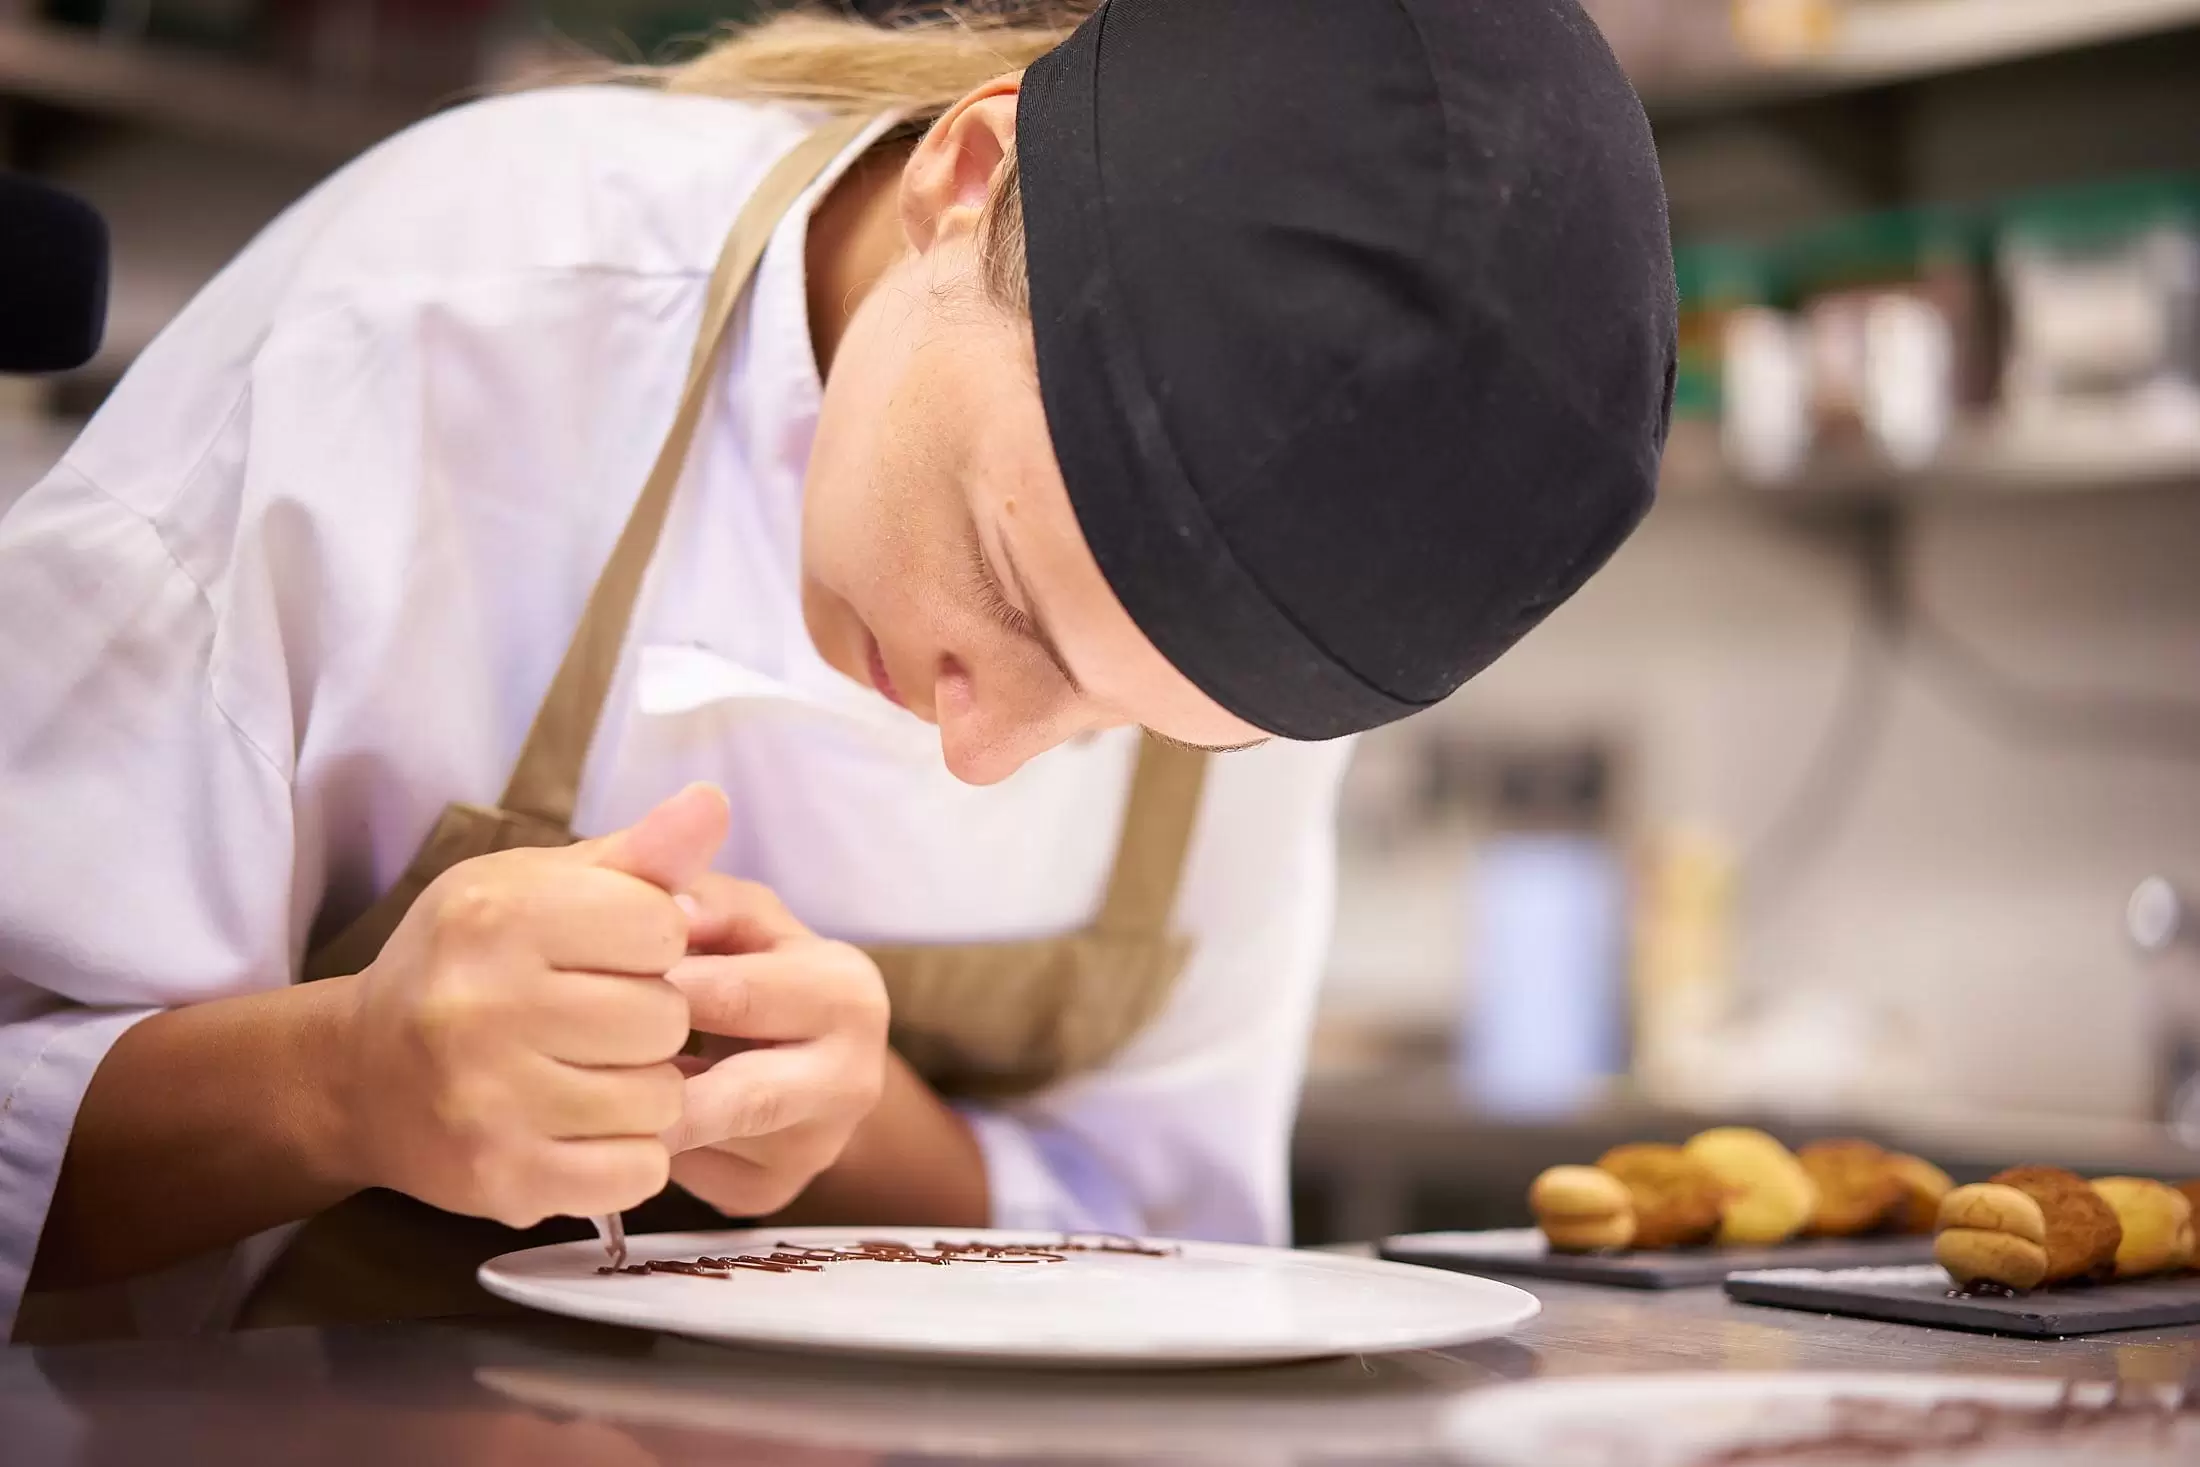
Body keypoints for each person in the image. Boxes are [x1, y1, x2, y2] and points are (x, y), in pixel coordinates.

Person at [0, 0, 1675, 1341]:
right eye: (1010, 586)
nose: (981, 748)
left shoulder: (1268, 608)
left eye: (1132, 723)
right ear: (966, 179)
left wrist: (855, 1123)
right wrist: (345, 1082)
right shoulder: (427, 332)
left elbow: (1165, 1258)